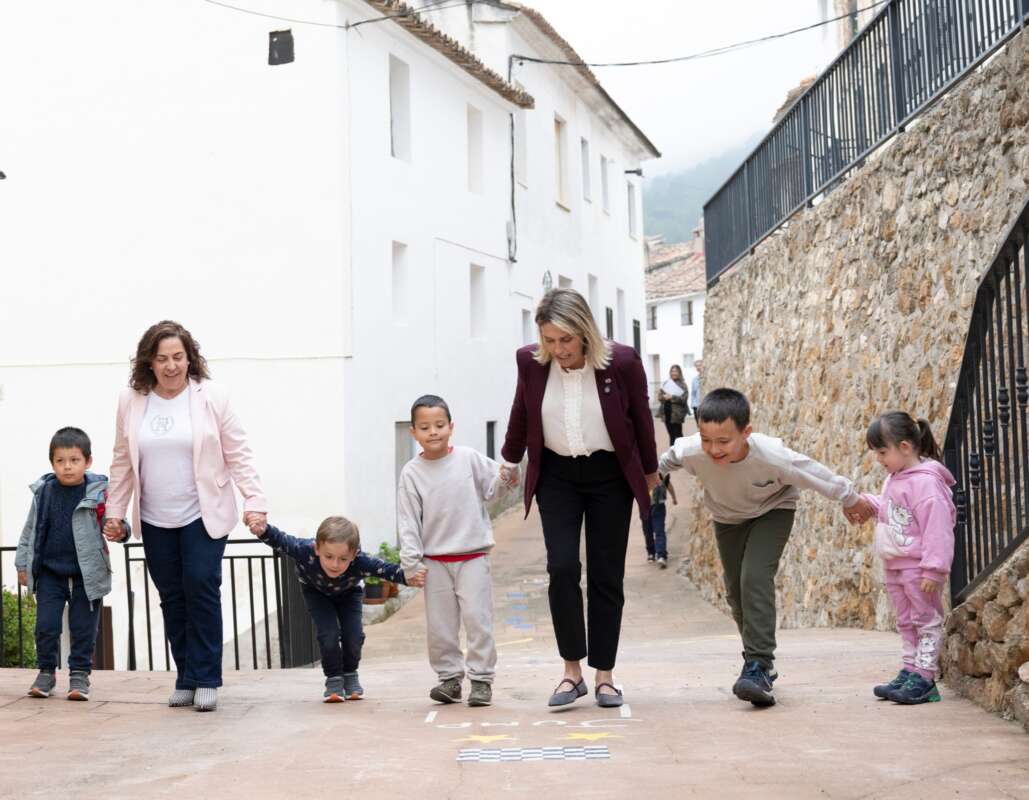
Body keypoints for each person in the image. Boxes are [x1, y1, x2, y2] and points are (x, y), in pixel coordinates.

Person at [659, 388, 873, 708]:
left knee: (754, 577)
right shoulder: (691, 451)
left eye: (724, 441)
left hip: (773, 510)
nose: (713, 449)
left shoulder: (771, 455)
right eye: (707, 440)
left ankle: (759, 665)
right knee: (735, 591)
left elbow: (812, 473)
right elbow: (663, 462)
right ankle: (753, 660)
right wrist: (648, 481)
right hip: (727, 518)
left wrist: (851, 498)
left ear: (746, 432)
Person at [500, 288, 659, 709]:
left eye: (566, 340)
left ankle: (604, 675)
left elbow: (641, 417)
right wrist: (510, 459)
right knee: (563, 566)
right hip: (557, 475)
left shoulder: (621, 362)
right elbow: (522, 409)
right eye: (550, 341)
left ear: (585, 332)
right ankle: (572, 672)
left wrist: (650, 470)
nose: (558, 349)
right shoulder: (530, 362)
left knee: (607, 575)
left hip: (610, 476)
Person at [103, 321, 268, 712]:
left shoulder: (213, 396)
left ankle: (208, 676)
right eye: (162, 359)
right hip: (155, 517)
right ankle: (187, 676)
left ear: (189, 358)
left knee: (200, 586)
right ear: (149, 362)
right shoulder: (132, 399)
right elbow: (122, 460)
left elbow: (238, 453)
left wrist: (254, 501)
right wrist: (114, 511)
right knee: (172, 598)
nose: (171, 366)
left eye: (178, 357)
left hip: (202, 514)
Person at [397, 394, 508, 708]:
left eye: (439, 425)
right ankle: (449, 679)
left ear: (451, 426)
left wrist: (507, 477)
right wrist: (411, 562)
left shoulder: (469, 458)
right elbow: (408, 521)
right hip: (435, 562)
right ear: (414, 432)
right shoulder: (411, 473)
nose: (433, 432)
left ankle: (482, 681)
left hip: (473, 555)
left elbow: (494, 487)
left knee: (478, 620)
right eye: (425, 427)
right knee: (441, 626)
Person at [246, 514, 424, 702]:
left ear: (354, 555)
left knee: (353, 636)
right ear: (317, 548)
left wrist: (407, 577)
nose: (335, 564)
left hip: (350, 593)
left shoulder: (361, 561)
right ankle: (333, 679)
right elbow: (281, 540)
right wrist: (262, 530)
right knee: (328, 635)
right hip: (316, 593)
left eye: (343, 559)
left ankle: (350, 674)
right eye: (328, 556)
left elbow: (384, 569)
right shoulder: (304, 550)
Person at [846, 412, 955, 705]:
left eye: (882, 452)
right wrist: (870, 503)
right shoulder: (896, 478)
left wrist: (934, 569)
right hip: (895, 565)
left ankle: (925, 677)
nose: (879, 459)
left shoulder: (927, 484)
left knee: (926, 620)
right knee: (906, 621)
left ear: (905, 447)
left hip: (918, 568)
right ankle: (910, 669)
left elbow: (937, 527)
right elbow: (896, 511)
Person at [16, 427, 130, 701]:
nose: (67, 467)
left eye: (74, 460)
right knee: (45, 626)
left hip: (86, 576)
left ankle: (79, 674)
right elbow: (30, 529)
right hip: (50, 575)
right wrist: (22, 564)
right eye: (60, 461)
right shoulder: (43, 493)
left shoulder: (98, 494)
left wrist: (121, 530)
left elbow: (113, 521)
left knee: (83, 628)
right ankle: (46, 673)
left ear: (88, 461)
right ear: (52, 462)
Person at [641, 474, 677, 567]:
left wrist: (674, 497)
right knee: (647, 531)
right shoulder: (639, 471)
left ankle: (661, 555)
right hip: (644, 506)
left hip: (658, 506)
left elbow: (668, 484)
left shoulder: (660, 471)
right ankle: (651, 553)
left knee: (659, 530)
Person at [657, 365, 689, 445]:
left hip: (677, 414)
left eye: (676, 371)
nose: (674, 373)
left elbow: (684, 399)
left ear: (679, 373)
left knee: (678, 435)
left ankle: (680, 454)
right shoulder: (666, 383)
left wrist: (672, 397)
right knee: (671, 435)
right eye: (672, 371)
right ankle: (672, 454)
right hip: (666, 412)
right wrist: (663, 397)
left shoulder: (683, 385)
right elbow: (659, 397)